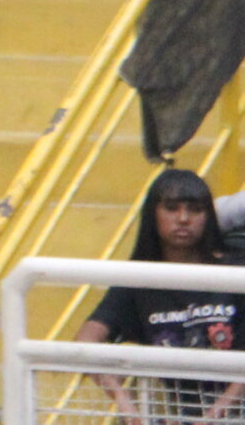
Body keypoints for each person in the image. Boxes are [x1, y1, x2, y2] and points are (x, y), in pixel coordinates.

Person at [75, 166, 243, 422]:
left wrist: (223, 407)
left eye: (195, 209)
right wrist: (121, 398)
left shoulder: (236, 271)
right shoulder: (137, 280)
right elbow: (86, 340)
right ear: (152, 214)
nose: (183, 218)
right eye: (172, 208)